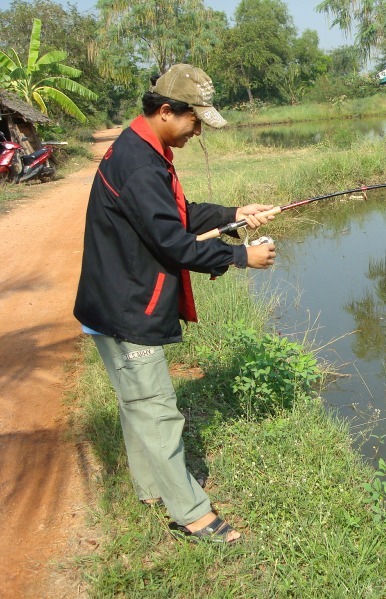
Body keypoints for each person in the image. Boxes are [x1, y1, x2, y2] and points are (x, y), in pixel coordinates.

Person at [74, 64, 276, 543]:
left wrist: (232, 213)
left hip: (114, 299)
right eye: (195, 119)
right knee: (157, 410)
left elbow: (174, 214)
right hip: (126, 308)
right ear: (167, 111)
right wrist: (241, 256)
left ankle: (151, 487)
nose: (198, 129)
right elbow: (174, 243)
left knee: (137, 404)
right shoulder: (142, 164)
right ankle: (192, 514)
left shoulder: (142, 148)